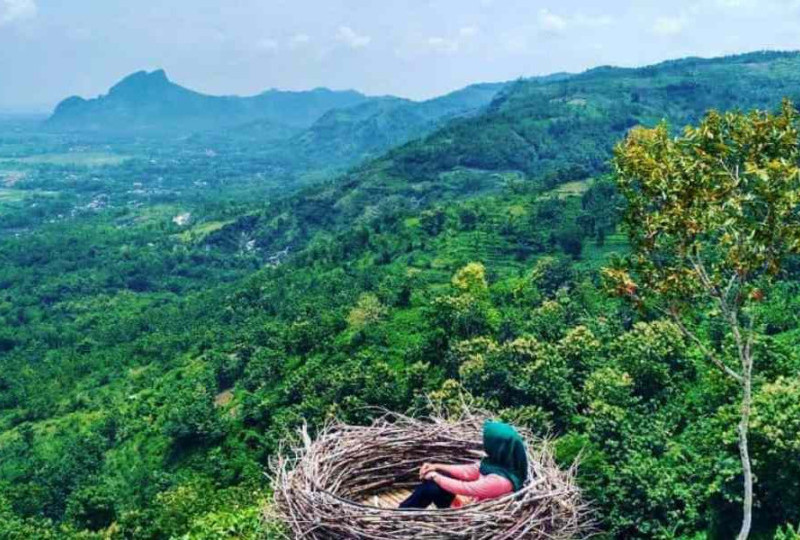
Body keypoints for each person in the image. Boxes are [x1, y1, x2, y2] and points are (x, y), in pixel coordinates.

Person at [399, 421, 528, 509]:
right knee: (437, 481)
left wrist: (434, 476)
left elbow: (466, 488)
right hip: (472, 505)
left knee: (431, 487)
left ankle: (402, 515)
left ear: (498, 447)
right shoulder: (499, 464)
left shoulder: (500, 481)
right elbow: (469, 471)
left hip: (474, 518)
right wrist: (436, 467)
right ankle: (404, 512)